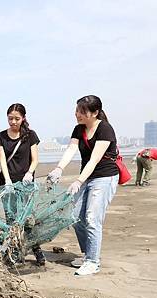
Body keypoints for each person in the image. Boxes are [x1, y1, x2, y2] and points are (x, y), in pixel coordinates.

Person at [46, 95, 119, 276]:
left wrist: (78, 181)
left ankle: (93, 262)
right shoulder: (79, 129)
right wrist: (58, 169)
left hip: (104, 177)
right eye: (77, 110)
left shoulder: (105, 129)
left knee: (92, 218)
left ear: (95, 113)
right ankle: (88, 255)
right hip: (87, 177)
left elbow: (94, 159)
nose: (77, 114)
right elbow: (71, 150)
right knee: (75, 216)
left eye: (82, 111)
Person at [0, 103, 45, 266]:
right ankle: (15, 252)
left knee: (27, 219)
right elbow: (2, 160)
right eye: (10, 118)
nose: (13, 122)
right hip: (7, 183)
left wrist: (29, 173)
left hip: (26, 183)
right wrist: (8, 180)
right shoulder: (1, 136)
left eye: (17, 118)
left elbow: (35, 159)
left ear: (23, 118)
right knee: (11, 218)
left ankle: (37, 250)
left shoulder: (30, 135)